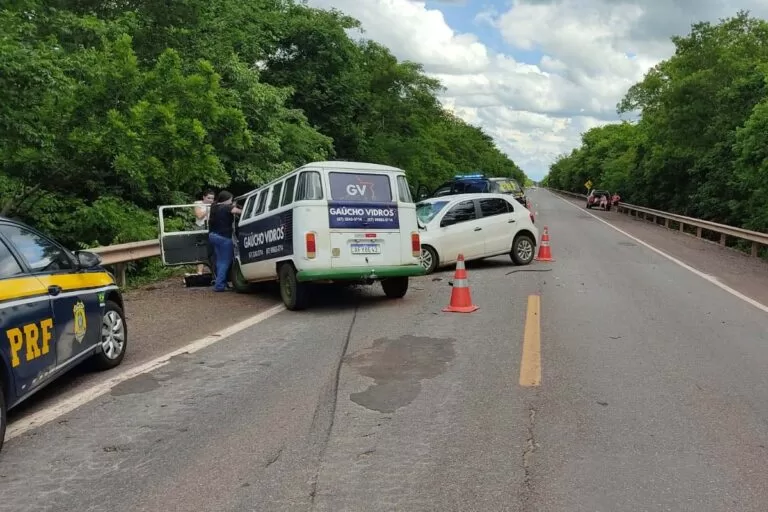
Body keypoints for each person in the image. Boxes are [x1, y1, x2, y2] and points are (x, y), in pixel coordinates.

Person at [207, 190, 241, 292]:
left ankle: (221, 282)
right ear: (226, 199)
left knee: (219, 261)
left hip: (213, 236)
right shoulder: (226, 207)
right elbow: (238, 211)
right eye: (230, 200)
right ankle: (219, 286)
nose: (231, 201)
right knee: (224, 262)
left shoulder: (214, 207)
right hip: (224, 238)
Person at [194, 190, 215, 274]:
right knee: (201, 249)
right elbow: (199, 215)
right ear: (204, 197)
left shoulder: (214, 204)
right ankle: (199, 272)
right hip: (201, 227)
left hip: (212, 226)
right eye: (208, 198)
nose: (211, 200)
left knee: (213, 249)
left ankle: (213, 271)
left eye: (212, 198)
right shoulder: (198, 203)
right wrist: (208, 208)